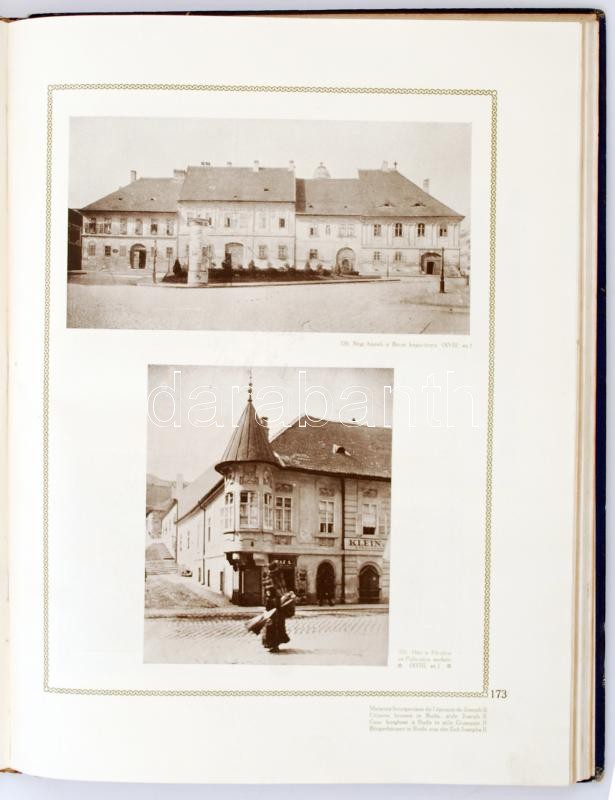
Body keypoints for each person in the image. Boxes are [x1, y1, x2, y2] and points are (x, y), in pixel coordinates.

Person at [261, 561, 290, 652]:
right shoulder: (273, 577)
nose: (279, 569)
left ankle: (273, 644)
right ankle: (274, 644)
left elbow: (269, 591)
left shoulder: (270, 577)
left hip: (273, 603)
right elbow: (275, 591)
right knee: (275, 624)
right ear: (275, 568)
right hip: (275, 603)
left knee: (273, 624)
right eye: (277, 567)